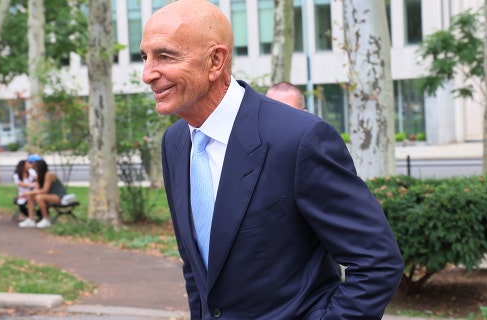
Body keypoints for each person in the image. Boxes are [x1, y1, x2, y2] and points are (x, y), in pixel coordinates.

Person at [140, 1, 404, 319]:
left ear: (215, 61)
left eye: (164, 56)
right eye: (145, 57)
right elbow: (197, 272)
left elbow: (377, 262)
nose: (147, 74)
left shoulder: (299, 139)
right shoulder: (176, 143)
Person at [18, 158, 67, 229]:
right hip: (49, 195)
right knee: (30, 196)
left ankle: (46, 219)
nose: (34, 169)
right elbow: (37, 188)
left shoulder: (48, 175)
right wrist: (28, 193)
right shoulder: (40, 176)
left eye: (35, 167)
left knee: (39, 197)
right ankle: (31, 219)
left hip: (59, 196)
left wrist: (31, 192)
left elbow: (45, 190)